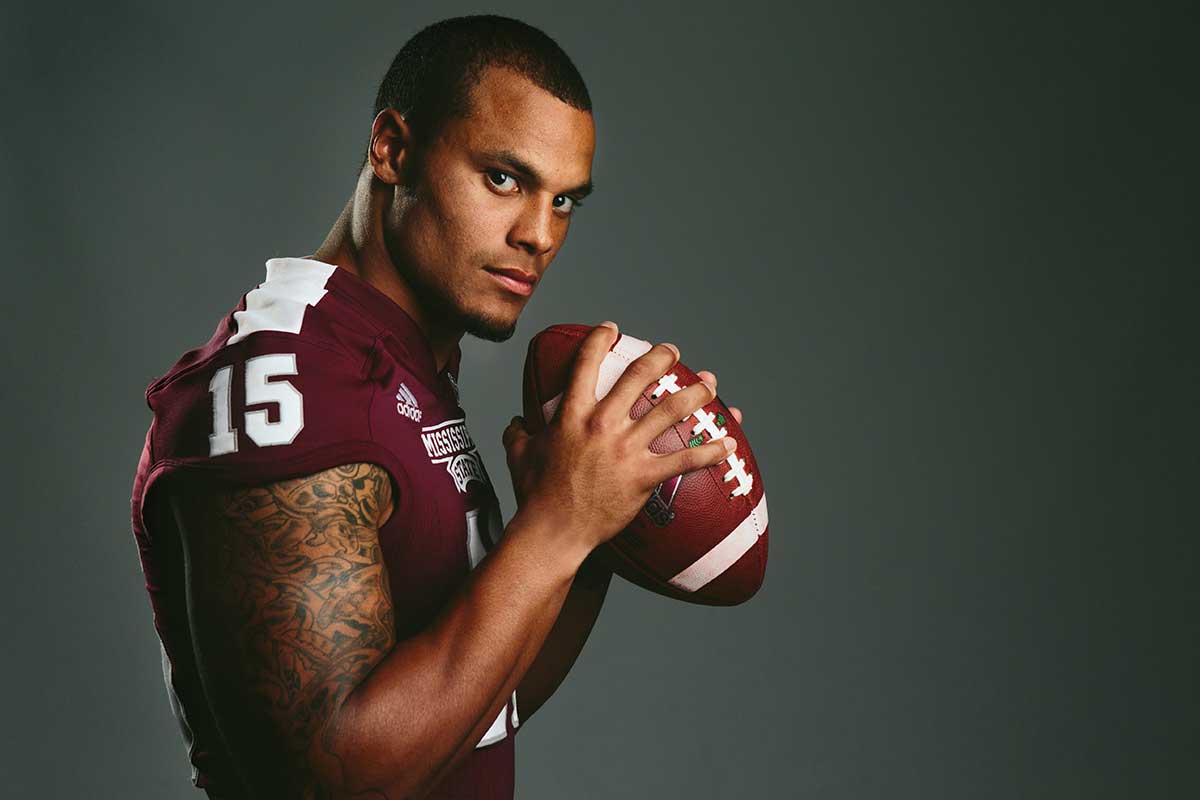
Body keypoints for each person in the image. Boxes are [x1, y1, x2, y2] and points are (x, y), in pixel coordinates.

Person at [130, 15, 741, 799]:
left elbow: (479, 711)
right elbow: (335, 778)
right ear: (393, 149)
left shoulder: (402, 364)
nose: (538, 234)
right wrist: (557, 529)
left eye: (564, 202)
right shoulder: (287, 381)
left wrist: (594, 535)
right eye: (504, 179)